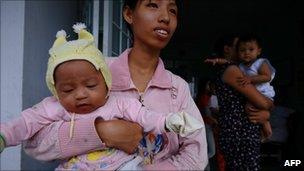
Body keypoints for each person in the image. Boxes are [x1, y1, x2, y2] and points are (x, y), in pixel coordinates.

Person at [22, 0, 208, 170]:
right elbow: (34, 142)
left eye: (173, 10)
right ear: (128, 14)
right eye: (152, 5)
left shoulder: (177, 88)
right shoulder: (92, 74)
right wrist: (101, 132)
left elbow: (196, 157)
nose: (165, 17)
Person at [205, 33, 274, 170]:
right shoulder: (232, 70)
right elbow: (262, 103)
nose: (244, 50)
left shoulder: (232, 68)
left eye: (249, 48)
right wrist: (268, 110)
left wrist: (266, 115)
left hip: (235, 131)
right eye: (239, 47)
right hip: (240, 132)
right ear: (227, 49)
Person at [236, 33, 275, 141]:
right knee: (249, 111)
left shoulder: (260, 63)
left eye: (251, 49)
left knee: (249, 108)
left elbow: (266, 77)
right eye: (242, 50)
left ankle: (265, 123)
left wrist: (250, 79)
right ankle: (263, 127)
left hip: (264, 94)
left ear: (258, 51)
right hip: (253, 96)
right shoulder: (241, 66)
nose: (246, 53)